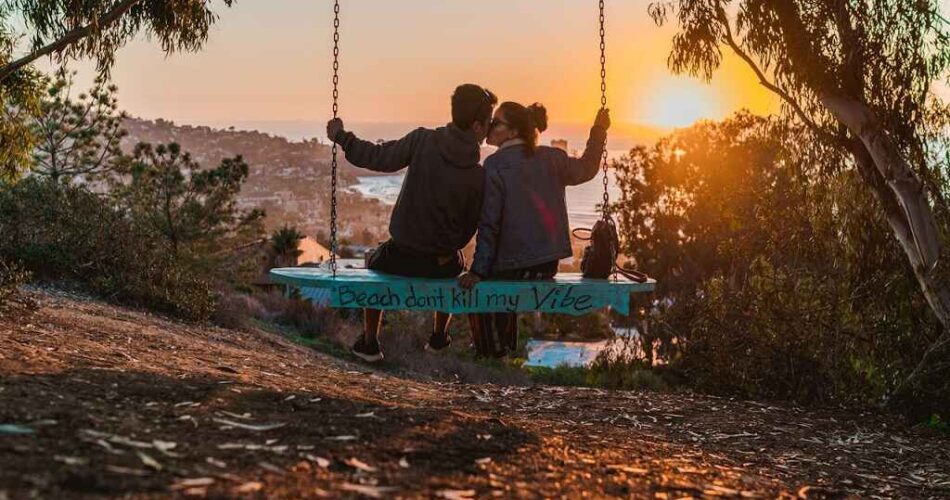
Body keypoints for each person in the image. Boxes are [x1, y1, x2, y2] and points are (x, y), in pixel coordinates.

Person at [326, 84, 497, 362]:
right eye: (488, 124)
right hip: (443, 265)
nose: (489, 131)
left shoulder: (422, 140)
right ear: (477, 126)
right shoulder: (479, 174)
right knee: (458, 263)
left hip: (401, 257)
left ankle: (370, 342)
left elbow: (378, 158)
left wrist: (342, 137)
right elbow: (473, 225)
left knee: (374, 261)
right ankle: (439, 336)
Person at [458, 102, 610, 356]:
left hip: (511, 266)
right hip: (546, 266)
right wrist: (598, 131)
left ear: (514, 131)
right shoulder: (553, 158)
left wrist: (478, 270)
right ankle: (502, 348)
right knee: (498, 278)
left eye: (496, 123)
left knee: (483, 288)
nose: (490, 128)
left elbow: (490, 223)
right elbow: (588, 168)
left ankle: (493, 349)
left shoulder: (495, 165)